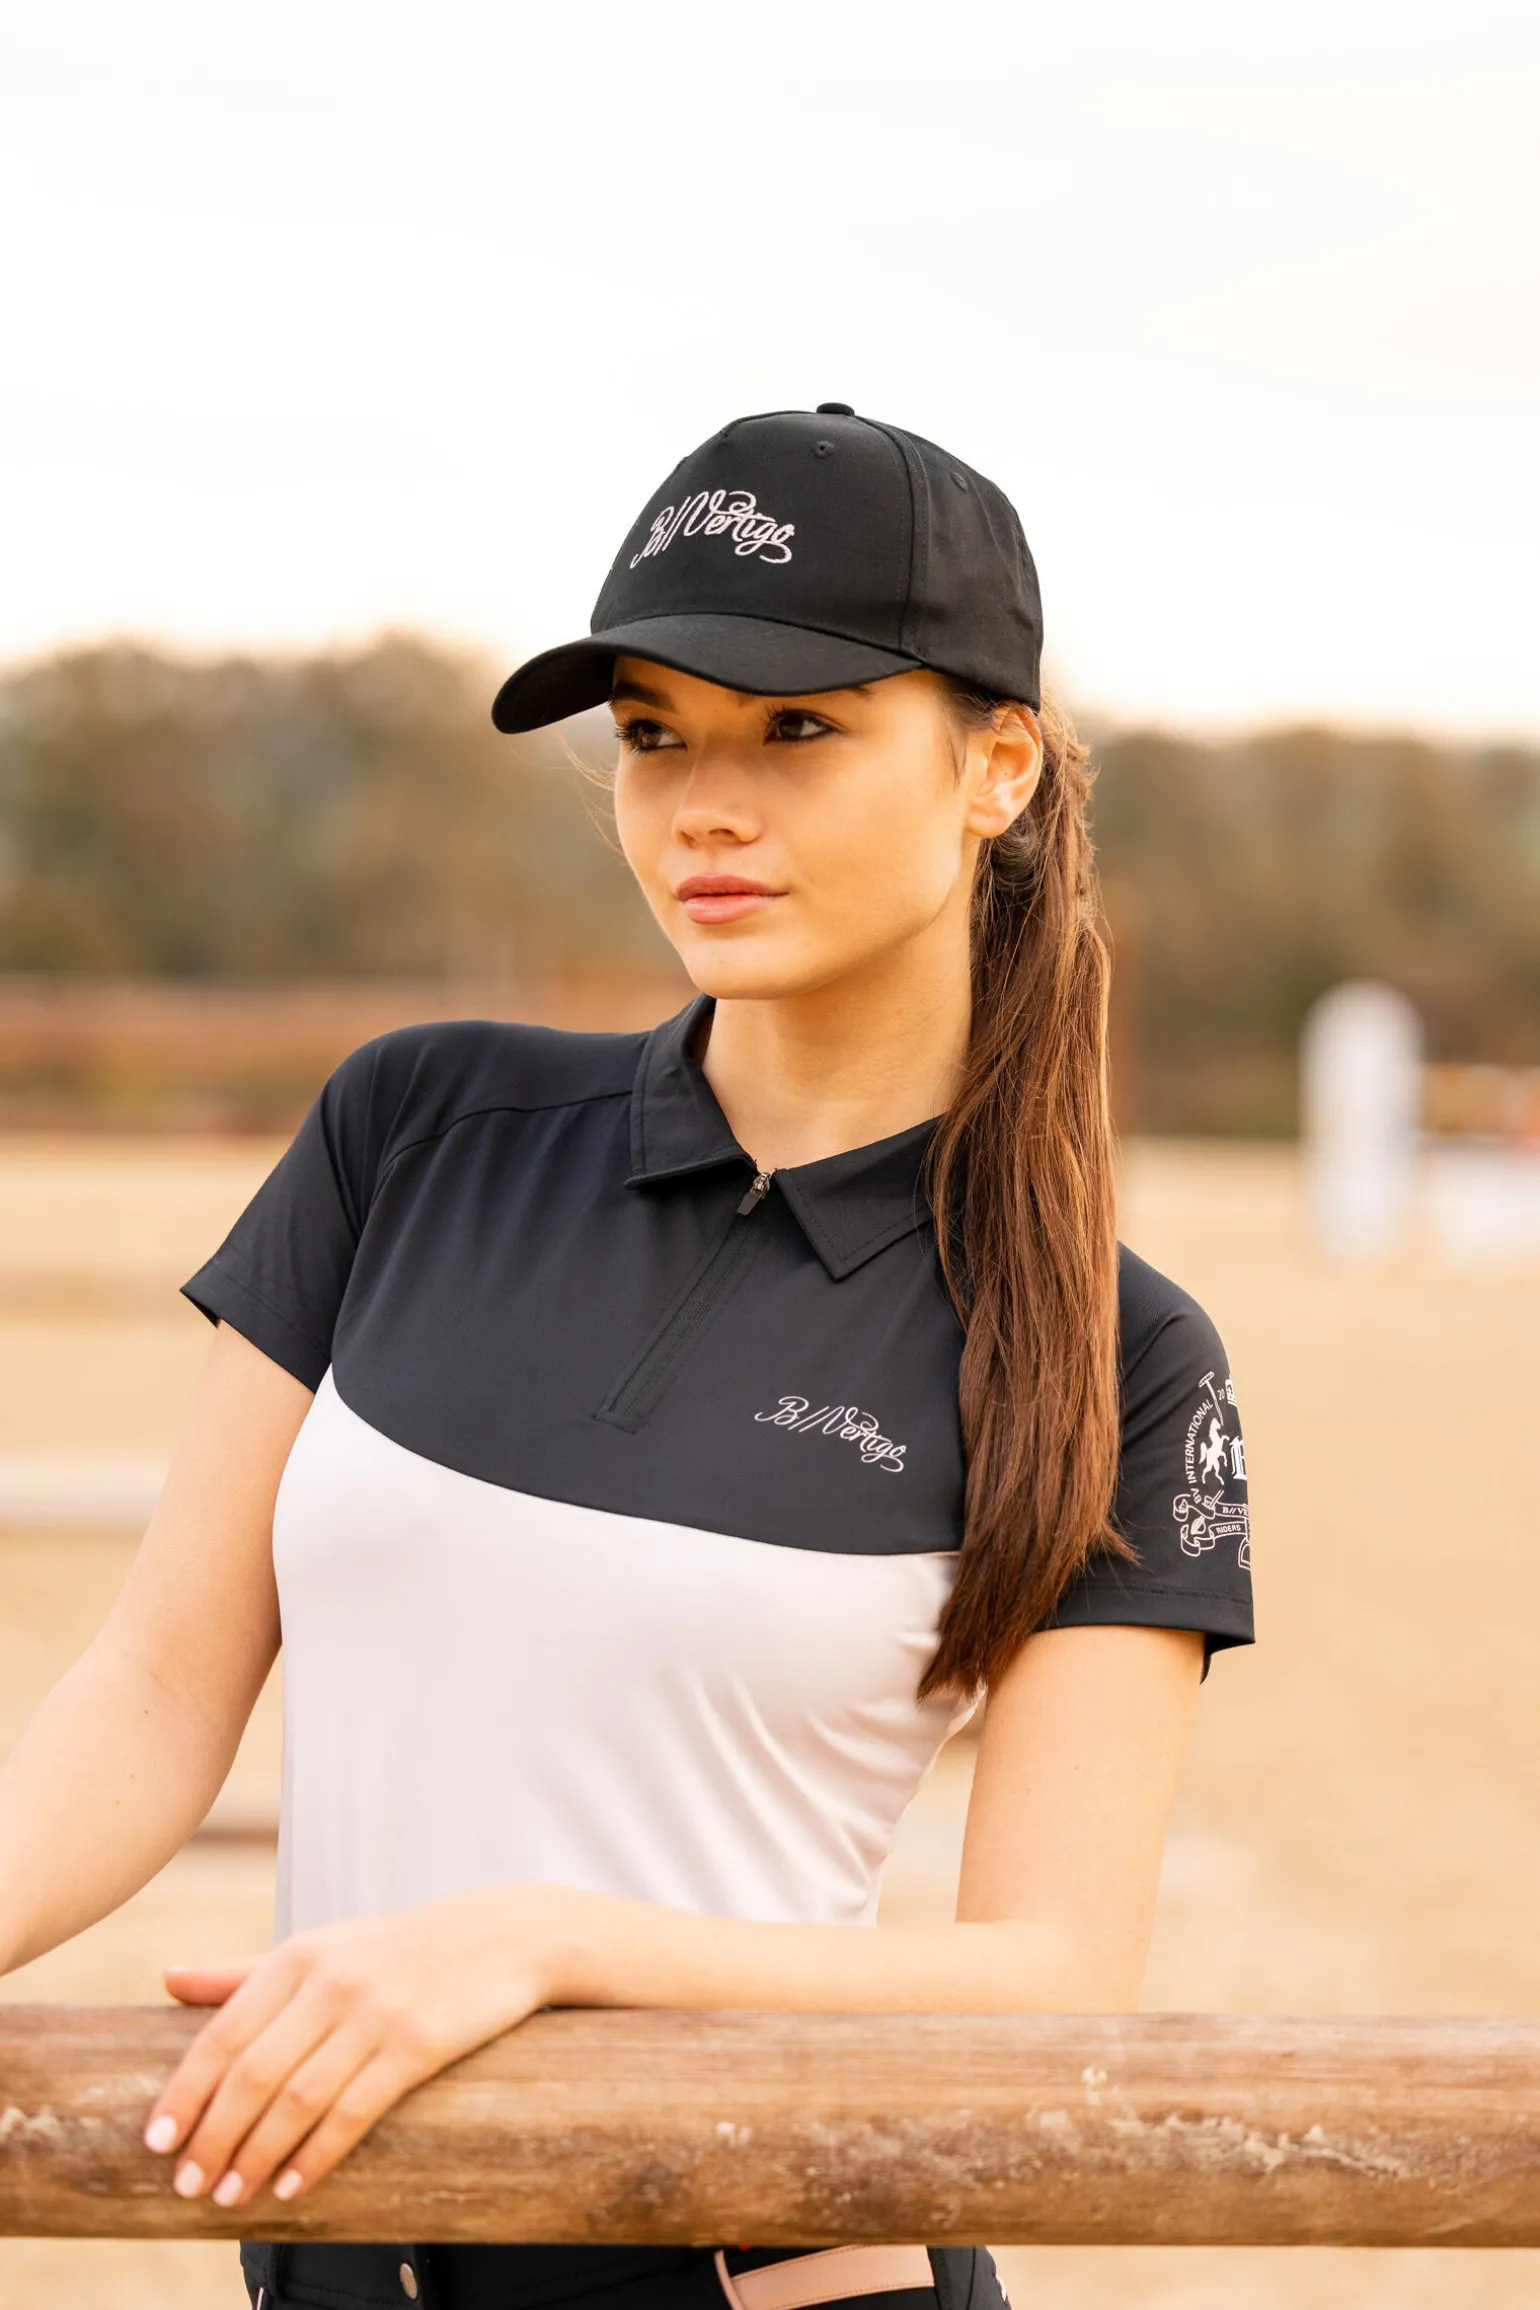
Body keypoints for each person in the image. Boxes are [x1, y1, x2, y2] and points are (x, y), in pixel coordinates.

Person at [0, 404, 1254, 2310]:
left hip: (773, 2281)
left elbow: (1054, 1975)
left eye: (798, 730)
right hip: (336, 2270)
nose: (701, 807)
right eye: (657, 734)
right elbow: (157, 1689)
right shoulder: (415, 1128)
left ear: (996, 767)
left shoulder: (1122, 1351)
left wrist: (547, 1943)